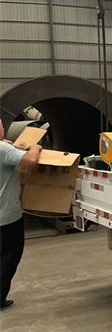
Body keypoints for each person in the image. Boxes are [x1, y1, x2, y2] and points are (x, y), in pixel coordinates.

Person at [0, 121, 41, 311]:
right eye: (1, 125)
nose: (3, 128)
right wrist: (35, 147)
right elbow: (30, 161)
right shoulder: (3, 150)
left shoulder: (3, 148)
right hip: (6, 216)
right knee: (10, 255)